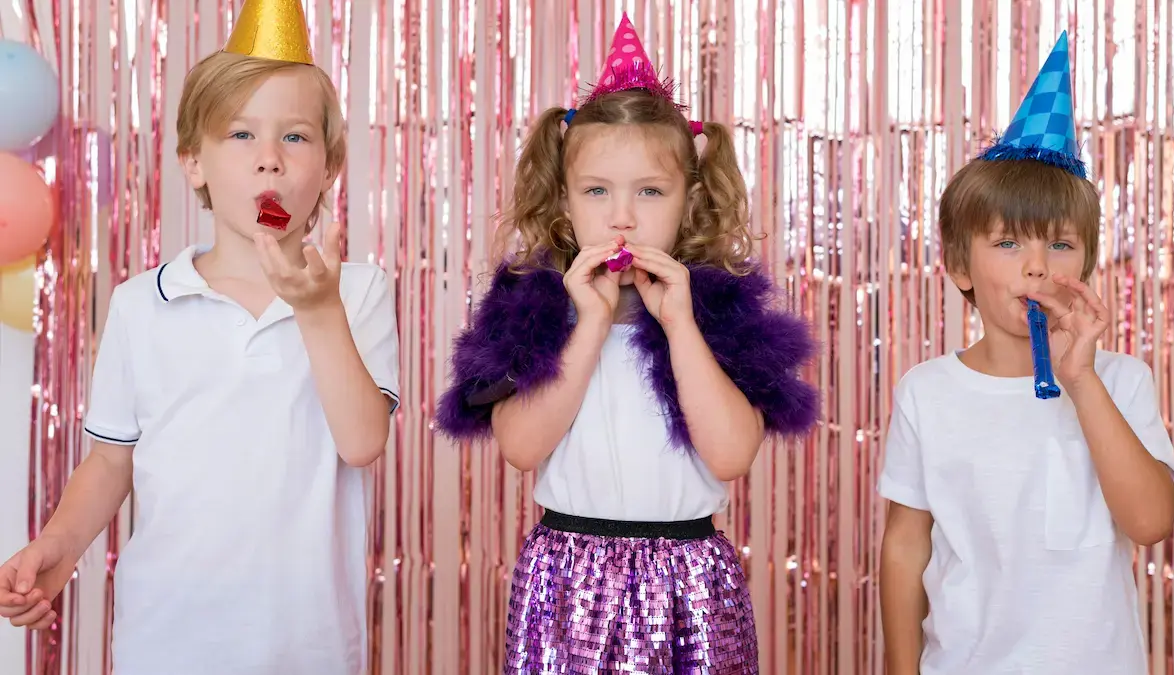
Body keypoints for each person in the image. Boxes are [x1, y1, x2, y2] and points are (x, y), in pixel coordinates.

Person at [0, 1, 399, 673]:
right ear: (194, 163)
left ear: (328, 168)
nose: (269, 160)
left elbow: (362, 443)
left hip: (308, 647)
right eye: (241, 135)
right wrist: (59, 547)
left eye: (295, 138)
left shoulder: (356, 292)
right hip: (167, 641)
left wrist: (317, 306)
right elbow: (109, 462)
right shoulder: (140, 305)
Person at [435, 13, 821, 674]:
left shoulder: (720, 313)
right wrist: (587, 323)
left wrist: (680, 327)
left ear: (690, 201)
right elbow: (522, 446)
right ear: (564, 202)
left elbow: (730, 455)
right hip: (568, 580)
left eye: (649, 191)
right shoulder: (529, 307)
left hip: (689, 580)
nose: (623, 215)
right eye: (597, 191)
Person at [878, 32, 1174, 675]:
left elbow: (1151, 522)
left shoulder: (1122, 381)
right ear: (960, 265)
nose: (1037, 268)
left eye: (1061, 245)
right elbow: (905, 547)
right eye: (1009, 243)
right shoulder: (928, 391)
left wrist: (1082, 381)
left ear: (1089, 263)